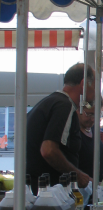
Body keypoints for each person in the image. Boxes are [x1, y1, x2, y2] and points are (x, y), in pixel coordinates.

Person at [26, 63, 95, 193]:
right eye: (96, 84)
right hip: (49, 197)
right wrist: (77, 175)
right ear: (84, 84)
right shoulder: (64, 106)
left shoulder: (49, 102)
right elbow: (48, 150)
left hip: (38, 193)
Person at [77, 98, 103, 184]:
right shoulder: (74, 133)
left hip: (101, 190)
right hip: (85, 192)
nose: (93, 119)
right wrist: (94, 183)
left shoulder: (93, 129)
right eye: (90, 114)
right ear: (78, 110)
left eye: (97, 115)